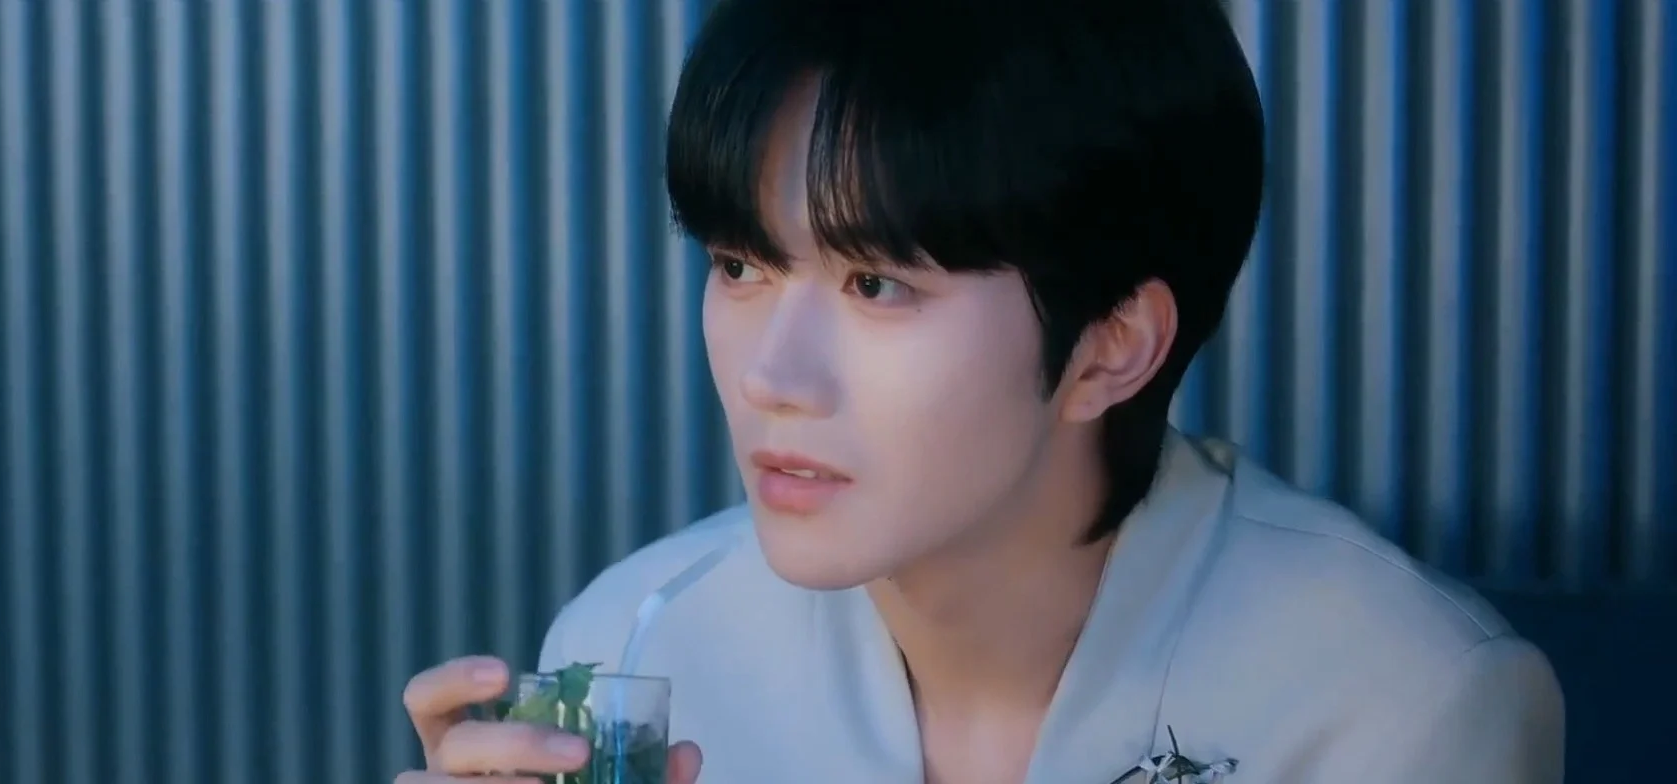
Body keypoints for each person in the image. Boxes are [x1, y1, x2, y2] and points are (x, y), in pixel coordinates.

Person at [395, 0, 1566, 781]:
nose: (769, 375)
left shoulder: (1400, 706)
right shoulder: (638, 644)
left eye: (876, 285)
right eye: (740, 266)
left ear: (1112, 346)